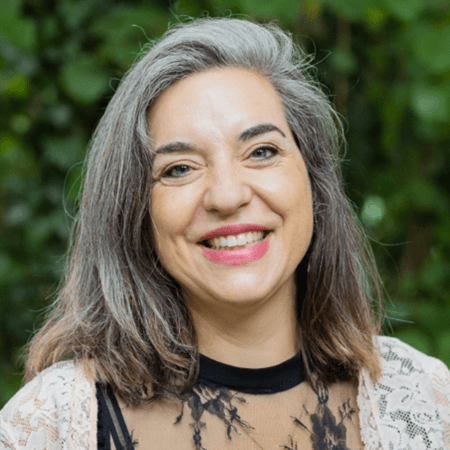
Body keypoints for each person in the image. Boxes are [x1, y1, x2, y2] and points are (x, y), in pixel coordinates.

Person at [1, 16, 449, 450]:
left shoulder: (426, 402)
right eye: (179, 169)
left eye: (261, 151)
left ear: (314, 180)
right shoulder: (52, 426)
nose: (227, 196)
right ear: (135, 211)